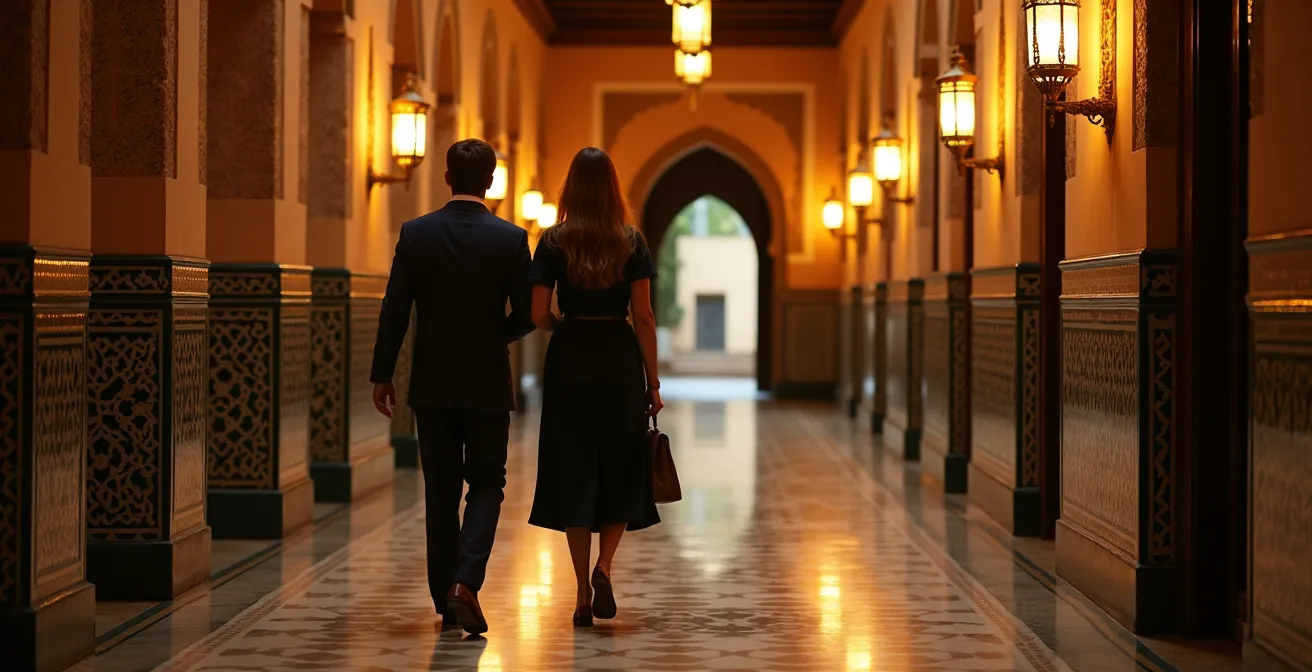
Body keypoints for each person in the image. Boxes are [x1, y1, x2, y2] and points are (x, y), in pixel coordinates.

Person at [369, 138, 535, 636]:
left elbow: (395, 307)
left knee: (440, 491)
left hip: (432, 384)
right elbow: (528, 313)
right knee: (487, 482)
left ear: (445, 178)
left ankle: (447, 601)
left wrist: (382, 373)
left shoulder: (417, 234)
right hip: (487, 381)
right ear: (490, 182)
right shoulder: (510, 239)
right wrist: (493, 337)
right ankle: (466, 582)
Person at [526, 147, 664, 628]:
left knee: (574, 468)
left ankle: (582, 592)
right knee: (620, 465)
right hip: (619, 362)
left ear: (570, 188)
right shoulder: (631, 241)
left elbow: (537, 312)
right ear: (612, 188)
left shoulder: (552, 241)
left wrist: (561, 324)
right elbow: (643, 316)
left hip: (570, 359)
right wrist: (653, 381)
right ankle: (606, 566)